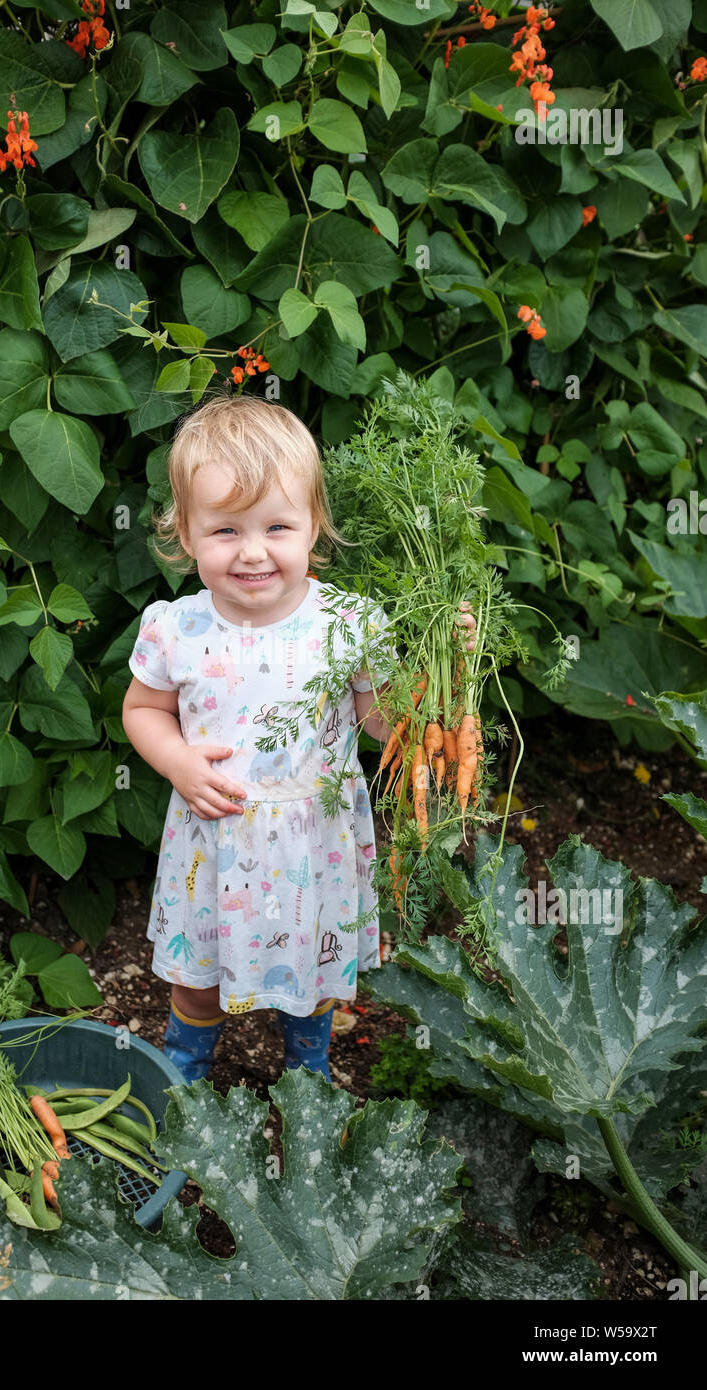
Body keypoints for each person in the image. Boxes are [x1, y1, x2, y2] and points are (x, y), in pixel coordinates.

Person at [122, 389, 469, 1085]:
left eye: (276, 527)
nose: (252, 553)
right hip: (214, 842)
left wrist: (451, 665)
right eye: (225, 531)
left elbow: (382, 723)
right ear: (185, 534)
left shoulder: (348, 622)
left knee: (313, 977)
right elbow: (143, 710)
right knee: (199, 983)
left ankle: (307, 1078)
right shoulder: (175, 628)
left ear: (314, 525)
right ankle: (182, 1079)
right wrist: (178, 762)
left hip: (315, 841)